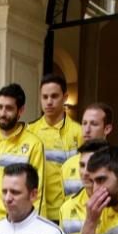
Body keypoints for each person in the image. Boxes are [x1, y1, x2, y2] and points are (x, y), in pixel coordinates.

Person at [0, 83, 46, 230]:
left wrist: (33, 228)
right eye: (0, 107)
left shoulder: (33, 144)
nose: (3, 113)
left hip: (14, 227)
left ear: (21, 111)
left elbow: (38, 193)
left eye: (9, 108)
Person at [28, 74, 82, 223]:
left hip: (70, 211)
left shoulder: (79, 132)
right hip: (37, 210)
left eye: (54, 96)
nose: (49, 102)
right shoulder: (29, 131)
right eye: (45, 97)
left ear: (65, 97)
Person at [61, 104, 113, 199]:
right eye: (84, 123)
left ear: (107, 129)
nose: (87, 129)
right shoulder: (67, 166)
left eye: (93, 124)